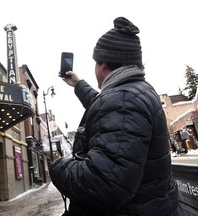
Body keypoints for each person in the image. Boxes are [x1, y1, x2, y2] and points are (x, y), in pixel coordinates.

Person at [49, 17, 182, 216]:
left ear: (103, 66)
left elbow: (103, 185)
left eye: (95, 63)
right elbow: (106, 109)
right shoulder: (134, 92)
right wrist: (78, 84)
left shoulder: (124, 100)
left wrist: (59, 166)